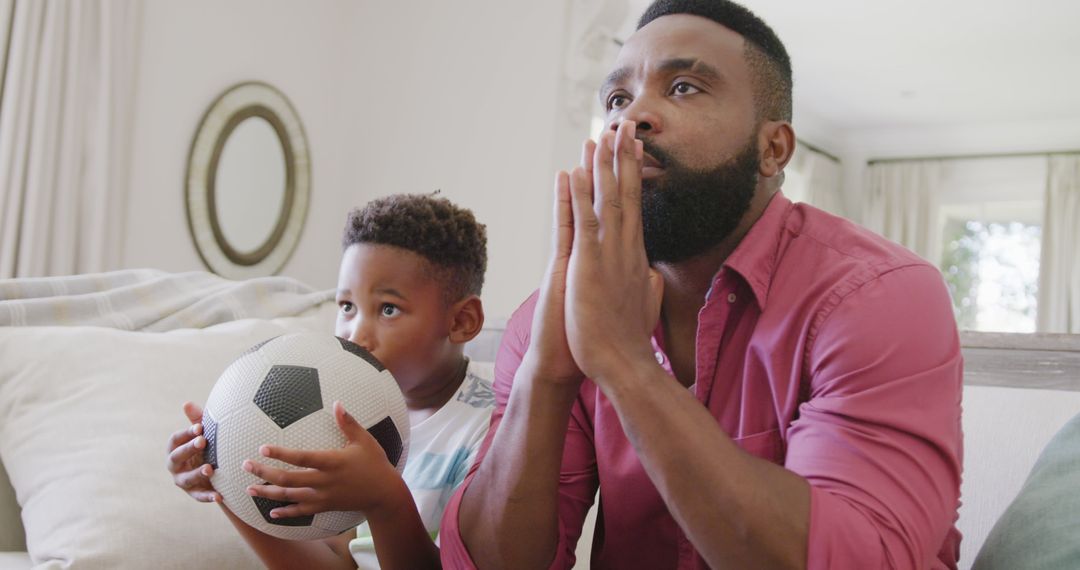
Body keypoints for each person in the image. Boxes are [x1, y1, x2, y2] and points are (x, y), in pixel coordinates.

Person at [441, 1, 963, 569]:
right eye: (617, 99)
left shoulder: (879, 297)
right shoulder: (556, 314)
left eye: (684, 87)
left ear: (773, 149)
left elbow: (866, 558)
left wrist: (624, 363)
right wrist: (545, 373)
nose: (631, 117)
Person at [166, 193, 496, 570]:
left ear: (461, 322)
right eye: (346, 307)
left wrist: (386, 499)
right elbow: (340, 561)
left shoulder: (489, 431)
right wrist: (226, 483)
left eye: (388, 309)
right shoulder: (342, 413)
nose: (356, 335)